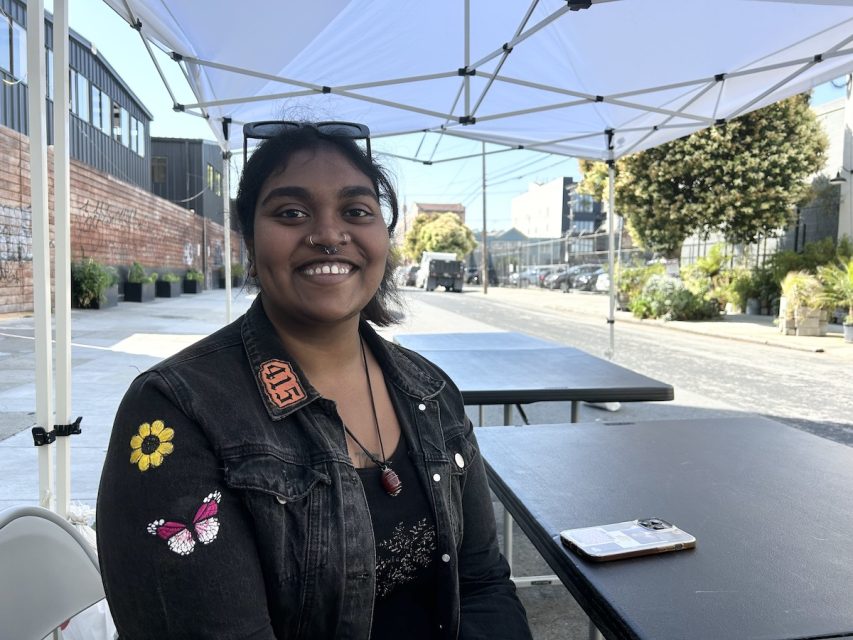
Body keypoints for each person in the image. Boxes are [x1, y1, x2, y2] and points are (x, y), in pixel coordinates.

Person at [96, 121, 532, 639]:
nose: (329, 234)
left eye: (356, 211)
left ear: (383, 236)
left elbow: (482, 584)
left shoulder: (431, 390)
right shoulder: (175, 411)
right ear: (249, 238)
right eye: (291, 213)